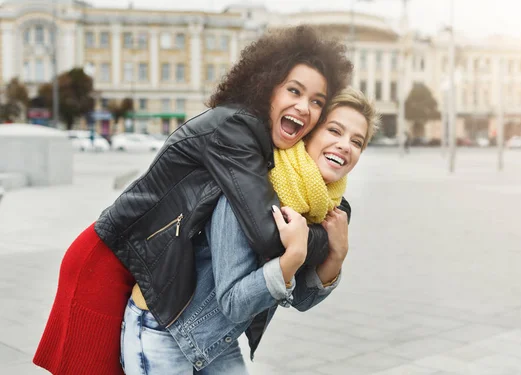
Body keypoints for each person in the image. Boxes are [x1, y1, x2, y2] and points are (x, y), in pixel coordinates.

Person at [33, 25, 353, 375]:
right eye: (294, 90)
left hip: (145, 265)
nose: (304, 107)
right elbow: (266, 231)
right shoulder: (234, 130)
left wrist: (333, 221)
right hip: (107, 261)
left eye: (317, 102)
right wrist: (329, 234)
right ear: (267, 86)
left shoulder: (267, 147)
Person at [121, 87, 381, 374]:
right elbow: (234, 302)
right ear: (309, 133)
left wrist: (337, 254)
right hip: (164, 329)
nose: (345, 145)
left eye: (357, 142)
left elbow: (301, 299)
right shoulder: (255, 183)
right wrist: (293, 254)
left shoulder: (318, 203)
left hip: (213, 337)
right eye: (334, 131)